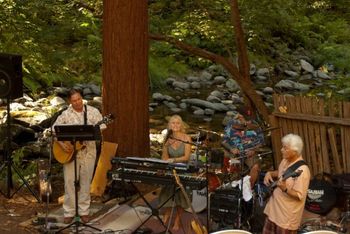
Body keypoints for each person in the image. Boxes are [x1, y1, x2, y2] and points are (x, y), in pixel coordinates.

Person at [53, 88, 105, 224]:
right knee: (69, 182)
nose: (77, 103)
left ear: (82, 98)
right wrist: (63, 144)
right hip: (70, 154)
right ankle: (69, 211)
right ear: (70, 102)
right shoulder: (65, 114)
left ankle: (83, 211)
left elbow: (102, 128)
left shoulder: (93, 112)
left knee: (85, 182)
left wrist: (94, 129)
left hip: (88, 152)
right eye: (74, 101)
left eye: (79, 99)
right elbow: (53, 131)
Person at [262, 133, 310, 234]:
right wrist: (269, 173)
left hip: (286, 218)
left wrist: (285, 189)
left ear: (295, 151)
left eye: (285, 148)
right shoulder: (285, 160)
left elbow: (299, 195)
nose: (281, 150)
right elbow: (280, 174)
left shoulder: (303, 170)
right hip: (273, 211)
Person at [158, 115, 192, 231]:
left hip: (182, 169)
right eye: (173, 123)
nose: (175, 125)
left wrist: (174, 160)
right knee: (167, 192)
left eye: (178, 123)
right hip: (171, 169)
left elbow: (186, 157)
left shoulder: (187, 138)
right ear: (170, 125)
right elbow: (164, 157)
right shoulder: (167, 139)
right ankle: (167, 215)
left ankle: (177, 220)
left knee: (181, 197)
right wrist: (163, 165)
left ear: (181, 125)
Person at [221, 107, 265, 188]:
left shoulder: (255, 125)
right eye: (244, 118)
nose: (247, 121)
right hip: (234, 153)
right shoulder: (231, 123)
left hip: (249, 153)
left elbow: (261, 143)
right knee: (227, 161)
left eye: (248, 118)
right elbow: (224, 141)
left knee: (255, 167)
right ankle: (228, 184)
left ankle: (249, 189)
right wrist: (231, 149)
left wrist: (254, 150)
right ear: (239, 116)